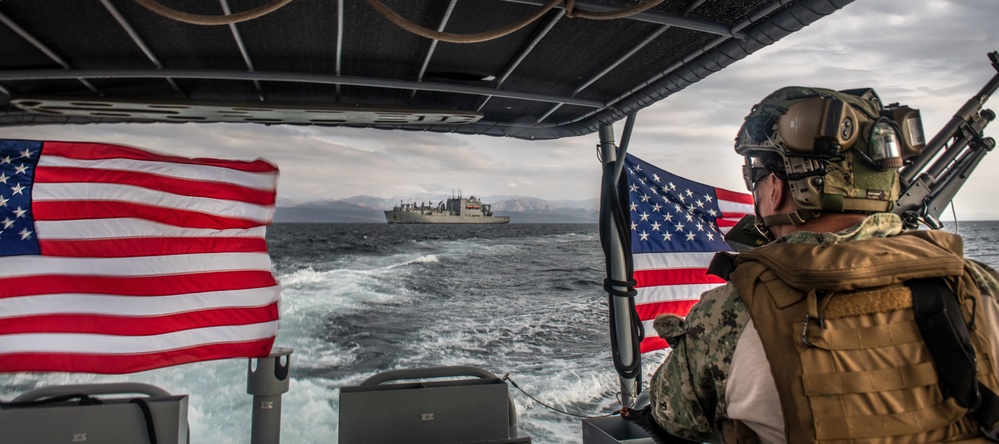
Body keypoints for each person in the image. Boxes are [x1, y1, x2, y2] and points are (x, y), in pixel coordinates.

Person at [643, 86, 999, 443]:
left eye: (756, 176)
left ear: (775, 188)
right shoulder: (979, 286)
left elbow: (674, 416)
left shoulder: (731, 312)